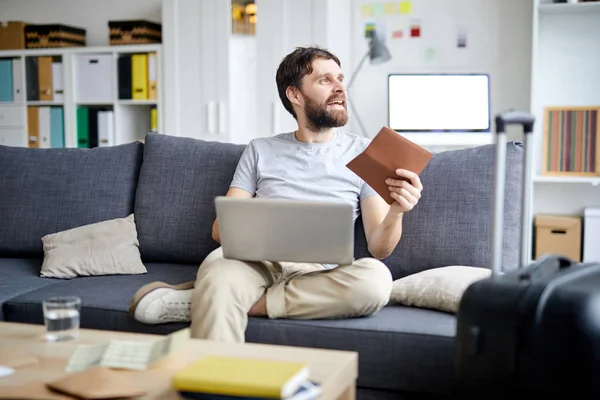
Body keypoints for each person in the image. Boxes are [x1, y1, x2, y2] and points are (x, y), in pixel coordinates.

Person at [128, 46, 423, 343]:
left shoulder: (365, 153)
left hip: (319, 274)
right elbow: (221, 231)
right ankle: (215, 373)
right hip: (254, 262)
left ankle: (209, 302)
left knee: (375, 281)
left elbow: (379, 249)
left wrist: (397, 210)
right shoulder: (260, 149)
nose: (339, 88)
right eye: (325, 80)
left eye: (340, 79)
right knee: (219, 271)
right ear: (295, 95)